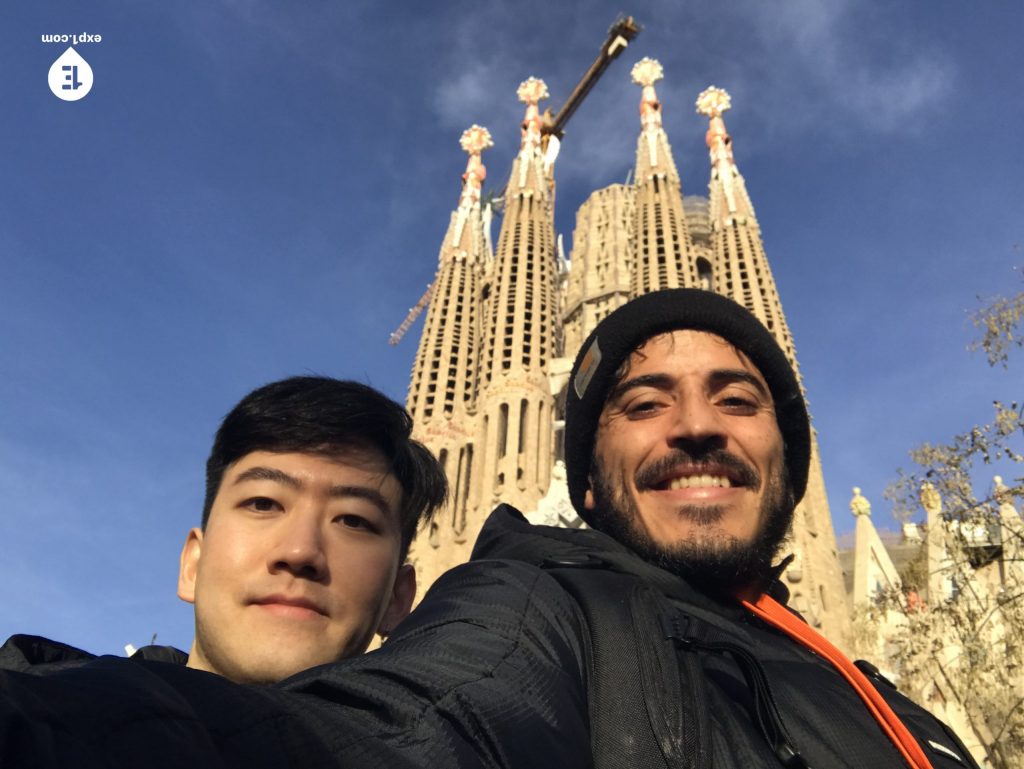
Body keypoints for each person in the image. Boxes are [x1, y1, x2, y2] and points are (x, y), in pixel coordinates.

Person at [0, 291, 978, 768]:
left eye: (736, 396)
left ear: (789, 446)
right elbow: (419, 726)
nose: (694, 424)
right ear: (581, 477)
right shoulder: (555, 602)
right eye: (641, 402)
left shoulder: (898, 707)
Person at [0, 376, 447, 685]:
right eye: (263, 503)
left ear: (397, 599)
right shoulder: (35, 720)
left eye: (353, 520)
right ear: (192, 563)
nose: (299, 551)